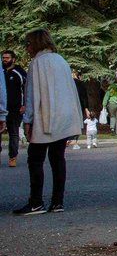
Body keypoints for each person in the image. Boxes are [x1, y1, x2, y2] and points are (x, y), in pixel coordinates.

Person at [14, 29, 83, 215]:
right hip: (63, 117)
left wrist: (28, 120)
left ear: (35, 43)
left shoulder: (37, 63)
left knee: (35, 158)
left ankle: (36, 202)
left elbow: (31, 95)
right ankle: (57, 202)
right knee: (57, 158)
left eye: (28, 44)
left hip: (44, 117)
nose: (27, 48)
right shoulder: (61, 60)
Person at [3, 49, 26, 168]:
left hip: (15, 109)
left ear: (13, 59)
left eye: (7, 58)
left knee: (13, 133)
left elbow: (26, 89)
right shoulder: (1, 71)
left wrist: (24, 104)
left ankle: (13, 157)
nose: (4, 60)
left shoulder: (19, 72)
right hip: (1, 108)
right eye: (3, 58)